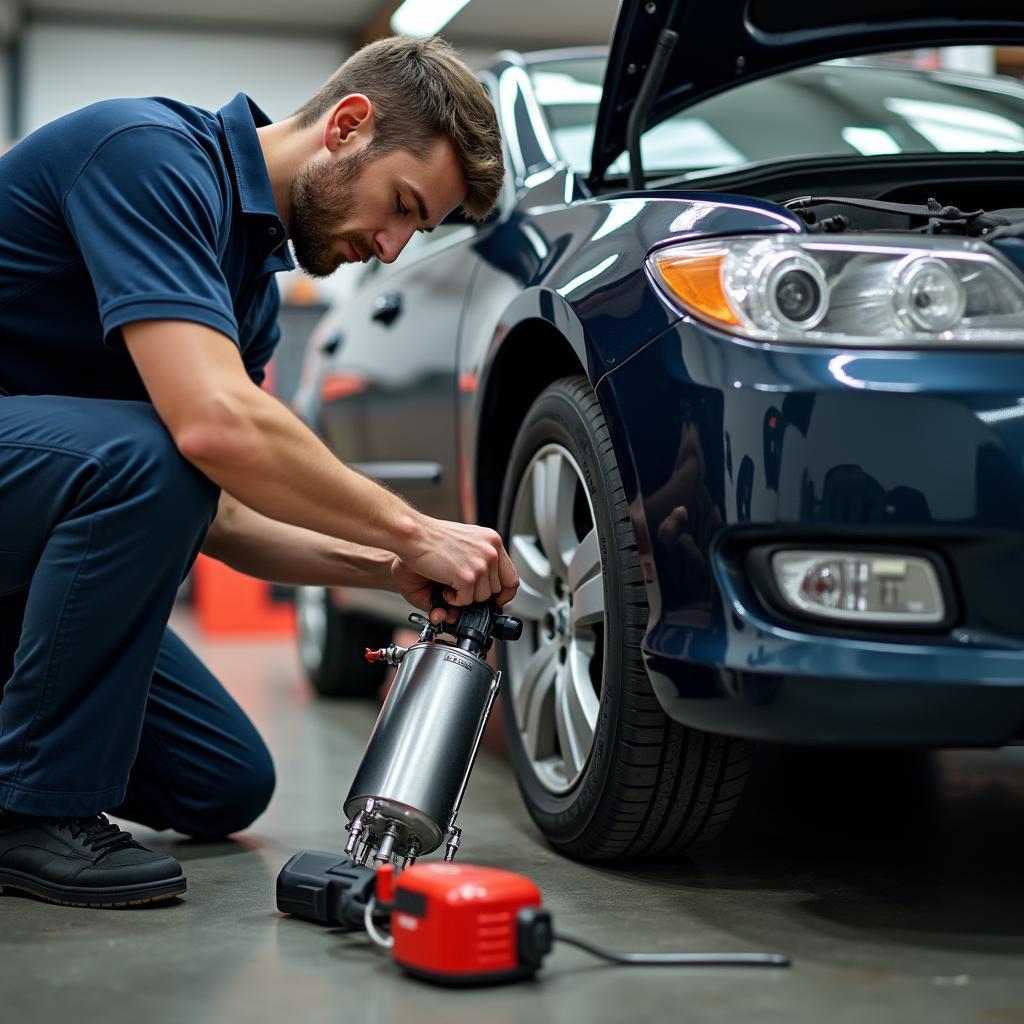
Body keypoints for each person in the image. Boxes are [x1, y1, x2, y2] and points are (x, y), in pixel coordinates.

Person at [0, 34, 517, 908]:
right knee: (157, 451)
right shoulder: (147, 156)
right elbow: (207, 431)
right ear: (347, 126)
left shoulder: (248, 295)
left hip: (28, 531)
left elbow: (222, 513)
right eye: (400, 205)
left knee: (223, 784)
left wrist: (388, 568)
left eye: (415, 230)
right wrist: (419, 529)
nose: (391, 248)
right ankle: (29, 815)